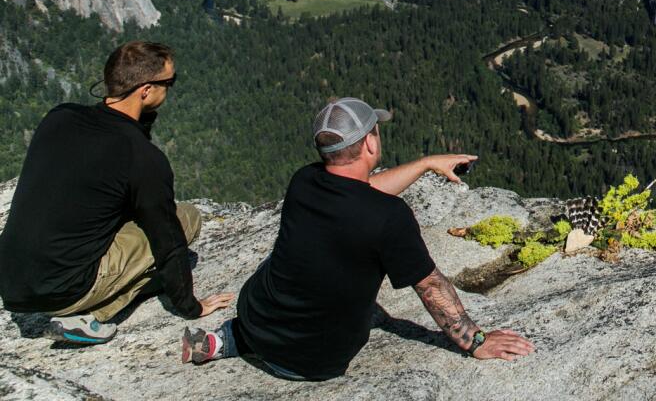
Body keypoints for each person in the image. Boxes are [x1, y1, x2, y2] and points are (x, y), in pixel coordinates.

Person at [182, 97, 535, 380]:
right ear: (369, 142)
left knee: (279, 266)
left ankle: (224, 341)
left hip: (255, 321)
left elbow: (361, 191)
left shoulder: (303, 181)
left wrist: (425, 163)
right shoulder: (389, 217)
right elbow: (430, 288)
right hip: (311, 364)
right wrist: (476, 342)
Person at [0, 41, 234, 344]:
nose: (171, 88)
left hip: (10, 278)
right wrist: (191, 306)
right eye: (169, 83)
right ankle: (89, 317)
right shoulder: (141, 156)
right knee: (186, 217)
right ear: (146, 90)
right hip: (61, 291)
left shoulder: (59, 116)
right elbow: (168, 240)